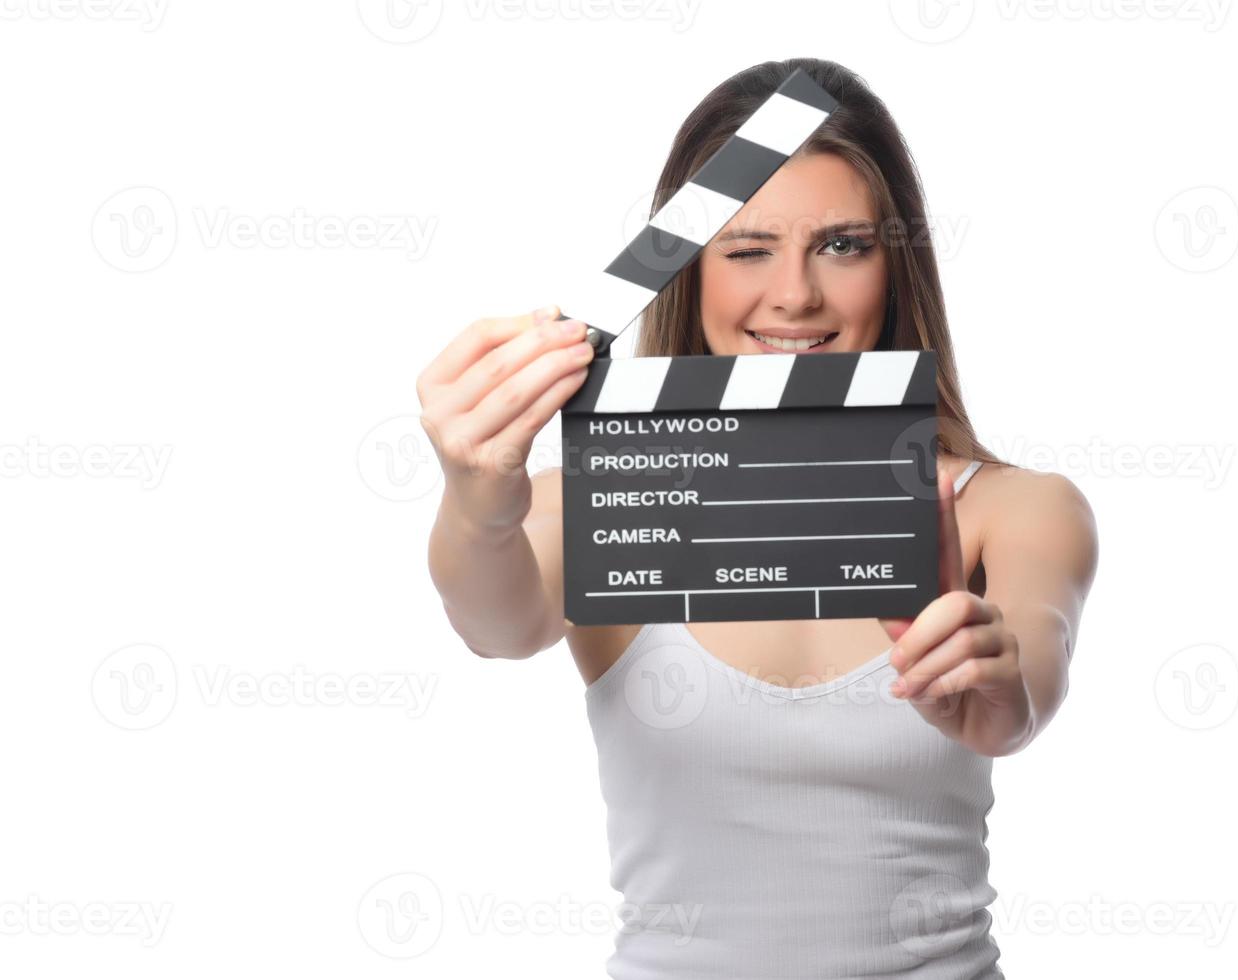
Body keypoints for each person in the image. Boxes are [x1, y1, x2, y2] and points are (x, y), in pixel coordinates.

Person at [416, 57, 1098, 980]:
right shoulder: (607, 503)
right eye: (746, 248)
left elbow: (1030, 668)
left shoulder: (1009, 507)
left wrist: (999, 686)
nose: (795, 295)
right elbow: (495, 622)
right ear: (688, 274)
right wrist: (476, 496)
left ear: (897, 268)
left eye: (843, 245)